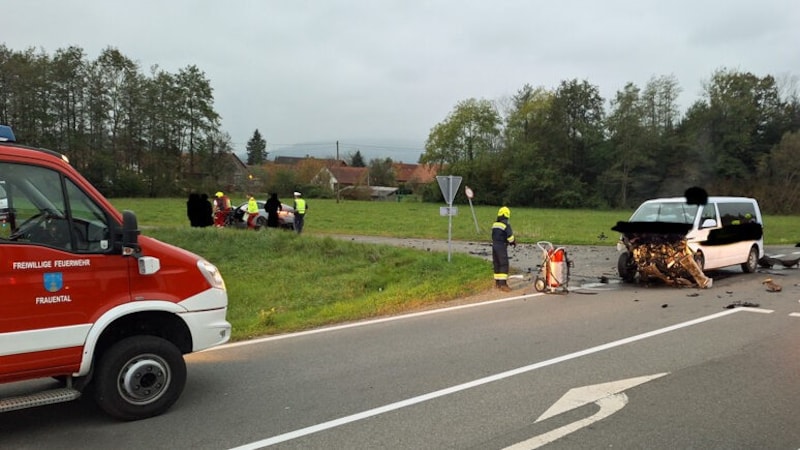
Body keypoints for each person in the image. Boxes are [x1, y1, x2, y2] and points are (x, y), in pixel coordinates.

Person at [491, 206, 516, 292]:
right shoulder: (506, 225)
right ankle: (503, 284)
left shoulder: (495, 224)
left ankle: (497, 283)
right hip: (501, 246)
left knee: (496, 263)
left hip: (494, 246)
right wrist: (513, 242)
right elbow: (510, 238)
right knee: (504, 264)